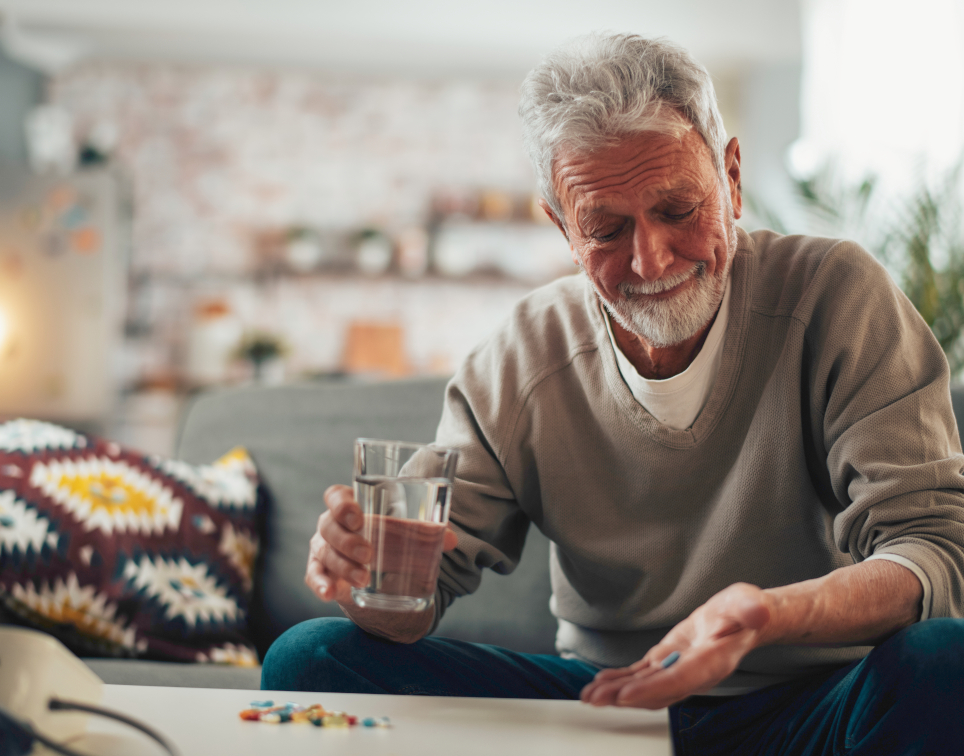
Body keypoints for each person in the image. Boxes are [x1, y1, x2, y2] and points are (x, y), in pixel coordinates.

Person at [262, 33, 964, 753]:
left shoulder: (835, 297)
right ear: (563, 225)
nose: (650, 258)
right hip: (604, 709)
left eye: (679, 209)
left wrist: (763, 617)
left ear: (731, 177)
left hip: (815, 707)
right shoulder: (522, 357)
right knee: (311, 658)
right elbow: (415, 598)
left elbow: (934, 553)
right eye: (606, 228)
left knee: (945, 661)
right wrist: (365, 580)